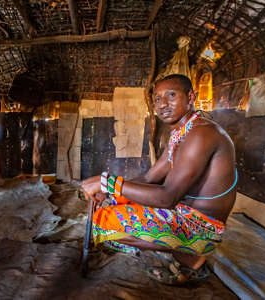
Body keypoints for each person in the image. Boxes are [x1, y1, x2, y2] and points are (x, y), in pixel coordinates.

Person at [81, 74, 237, 285]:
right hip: (184, 211)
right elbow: (149, 177)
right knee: (116, 200)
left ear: (190, 97)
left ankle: (191, 257)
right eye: (157, 99)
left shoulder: (201, 134)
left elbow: (167, 198)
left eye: (171, 95)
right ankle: (181, 253)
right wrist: (110, 191)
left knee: (104, 220)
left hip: (201, 227)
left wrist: (105, 181)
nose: (163, 104)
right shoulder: (181, 133)